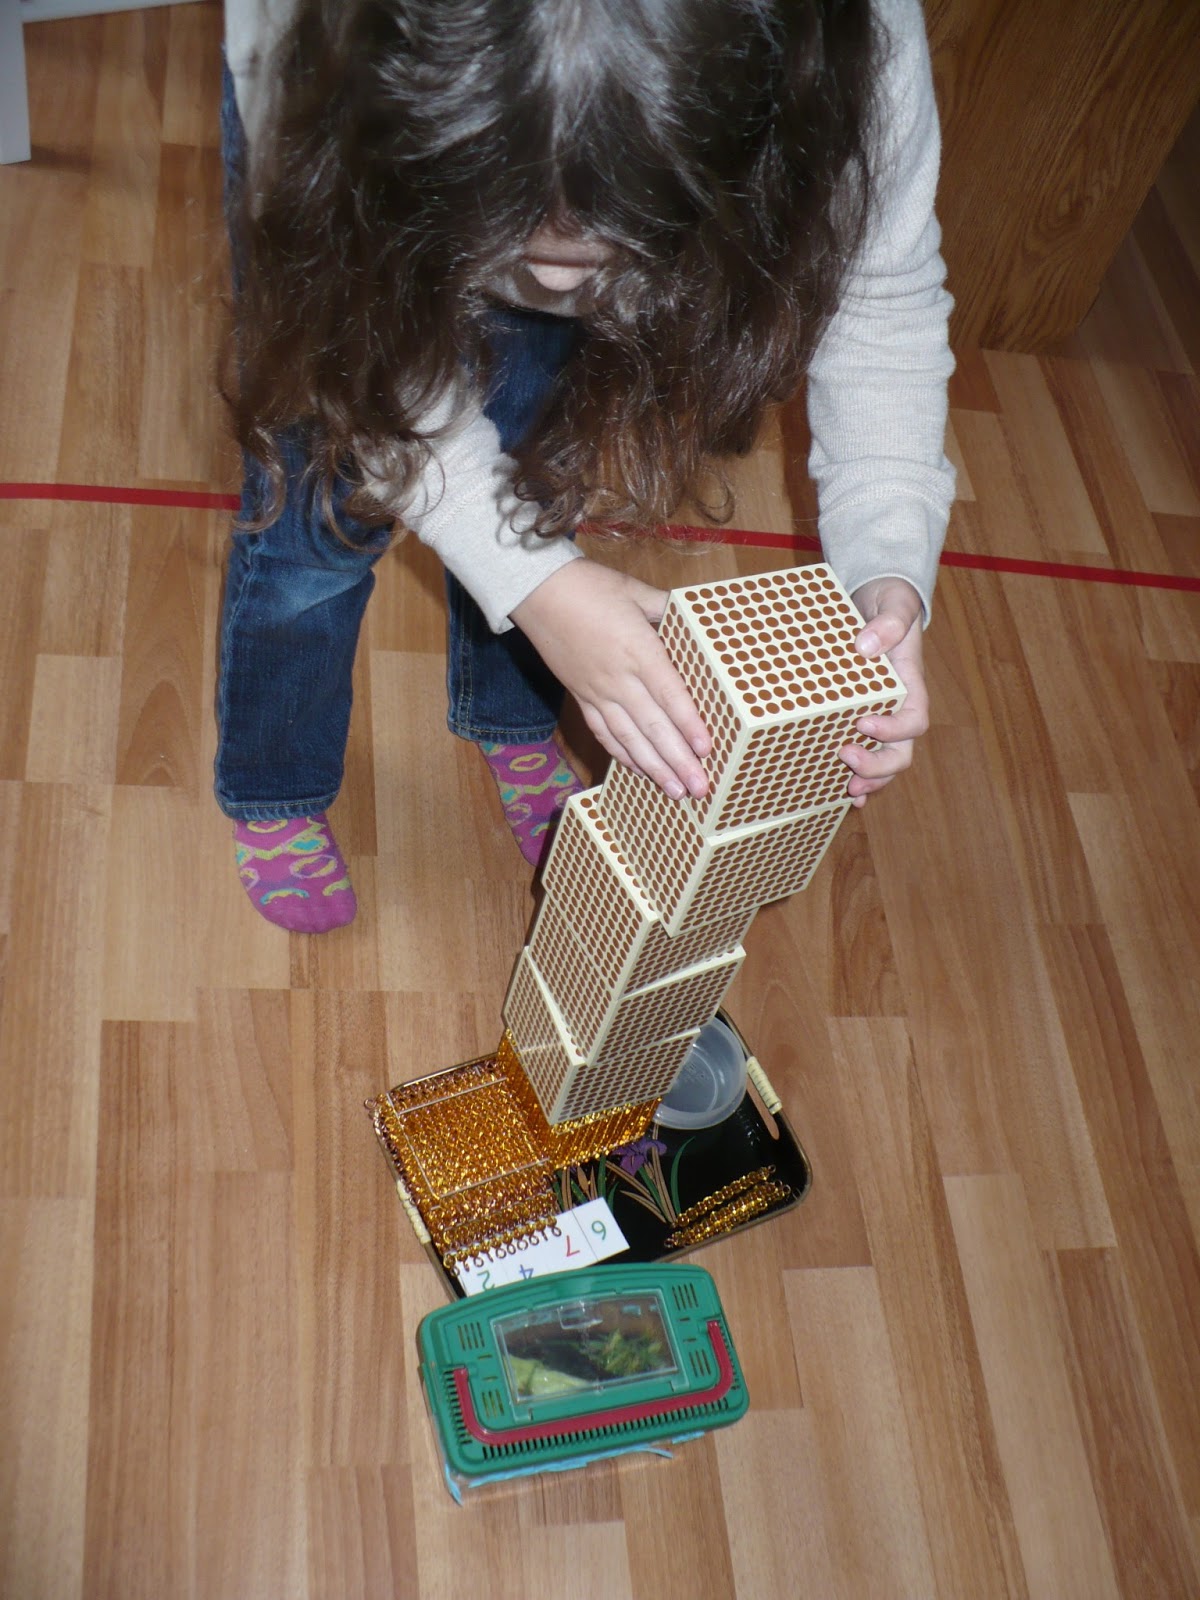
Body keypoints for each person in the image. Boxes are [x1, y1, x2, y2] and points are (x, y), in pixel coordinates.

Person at [219, 0, 955, 933]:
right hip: (356, 210)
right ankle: (276, 781)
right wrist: (532, 583)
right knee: (314, 536)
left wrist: (888, 561)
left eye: (609, 238)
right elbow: (358, 354)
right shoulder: (316, 51)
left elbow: (881, 299)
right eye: (521, 234)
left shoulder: (856, 50)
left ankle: (511, 717)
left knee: (536, 477)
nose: (557, 286)